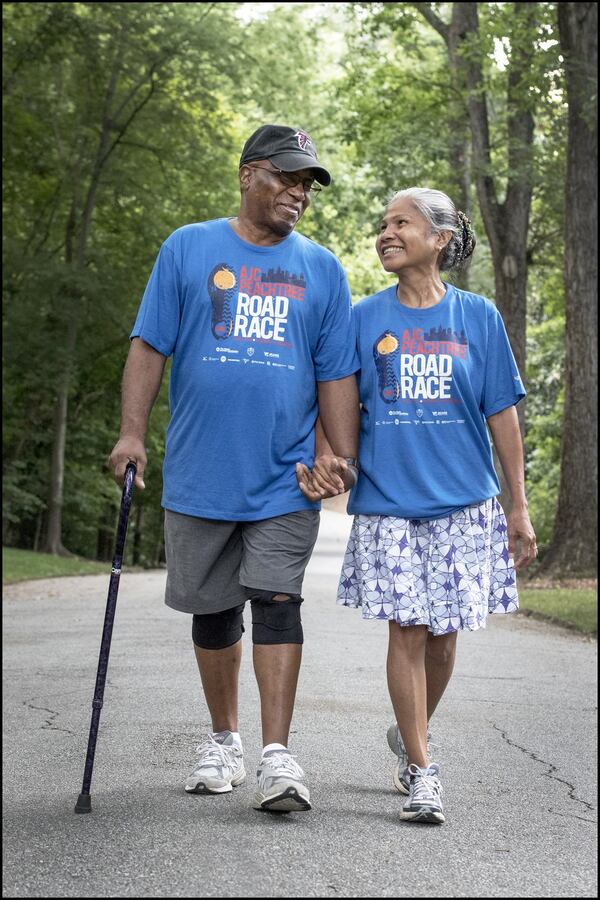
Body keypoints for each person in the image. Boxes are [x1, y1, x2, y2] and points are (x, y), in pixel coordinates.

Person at [108, 124, 360, 813]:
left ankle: (278, 755)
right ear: (249, 174)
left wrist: (339, 457)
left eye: (306, 184)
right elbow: (149, 345)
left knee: (279, 600)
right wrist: (132, 434)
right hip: (201, 467)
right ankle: (225, 739)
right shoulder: (187, 248)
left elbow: (336, 371)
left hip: (285, 477)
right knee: (214, 610)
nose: (298, 194)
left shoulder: (322, 269)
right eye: (286, 178)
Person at [297, 187, 537, 824]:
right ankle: (424, 771)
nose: (385, 233)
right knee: (405, 629)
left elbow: (502, 416)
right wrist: (329, 458)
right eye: (382, 225)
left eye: (400, 223)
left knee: (444, 640)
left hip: (464, 502)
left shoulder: (477, 317)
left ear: (439, 238)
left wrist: (518, 506)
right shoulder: (362, 317)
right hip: (391, 503)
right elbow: (337, 400)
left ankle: (409, 735)